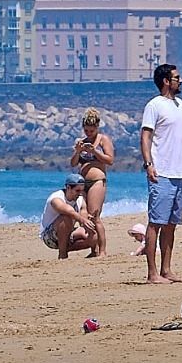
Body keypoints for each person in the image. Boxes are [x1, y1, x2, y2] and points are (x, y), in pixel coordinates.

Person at [140, 63, 182, 284]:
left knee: (171, 225)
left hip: (179, 172)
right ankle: (152, 273)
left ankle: (166, 269)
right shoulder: (154, 105)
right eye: (177, 77)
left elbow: (177, 133)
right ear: (166, 81)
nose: (181, 80)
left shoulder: (179, 104)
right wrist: (149, 164)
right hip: (162, 171)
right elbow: (146, 136)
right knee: (156, 222)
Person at [70, 108, 115, 257]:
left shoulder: (103, 140)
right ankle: (93, 249)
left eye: (91, 130)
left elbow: (110, 160)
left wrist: (94, 151)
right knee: (84, 217)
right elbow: (73, 163)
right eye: (86, 130)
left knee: (94, 216)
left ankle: (102, 250)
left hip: (96, 181)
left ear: (97, 127)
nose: (89, 133)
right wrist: (78, 151)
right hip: (82, 183)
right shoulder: (82, 142)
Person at [41, 173, 96, 258]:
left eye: (82, 191)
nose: (80, 193)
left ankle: (93, 252)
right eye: (77, 191)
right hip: (50, 236)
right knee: (66, 217)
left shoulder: (80, 200)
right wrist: (82, 220)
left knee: (93, 235)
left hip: (69, 232)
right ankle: (62, 254)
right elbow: (68, 211)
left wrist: (89, 222)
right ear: (68, 188)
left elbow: (83, 221)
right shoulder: (56, 198)